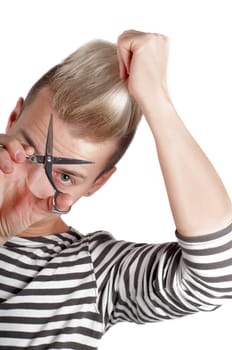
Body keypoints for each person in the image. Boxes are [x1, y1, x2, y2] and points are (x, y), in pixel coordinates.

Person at [0, 29, 231, 350]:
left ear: (98, 183)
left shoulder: (95, 273)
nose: (35, 185)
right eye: (27, 150)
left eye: (65, 177)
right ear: (12, 119)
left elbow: (217, 277)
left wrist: (157, 100)